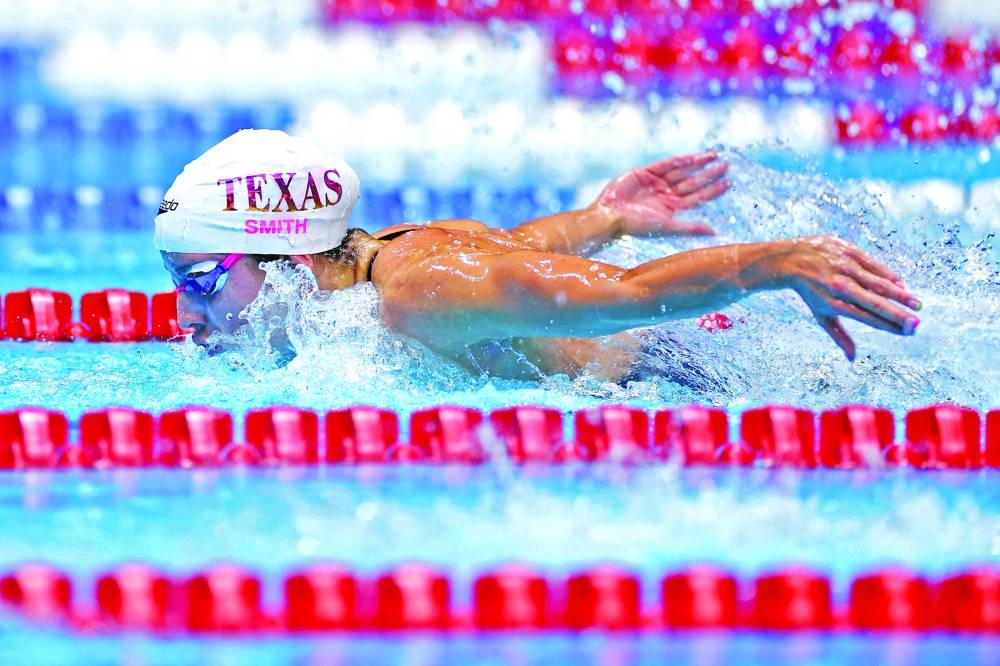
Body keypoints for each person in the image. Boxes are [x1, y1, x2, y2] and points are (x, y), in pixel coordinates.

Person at [156, 129, 921, 384]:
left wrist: (778, 263)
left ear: (289, 261)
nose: (184, 312)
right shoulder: (392, 255)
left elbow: (629, 295)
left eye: (200, 281)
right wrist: (603, 216)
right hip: (683, 360)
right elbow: (518, 256)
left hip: (686, 382)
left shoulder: (415, 292)